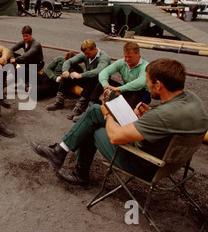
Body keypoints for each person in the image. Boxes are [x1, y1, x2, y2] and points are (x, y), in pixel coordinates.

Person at [30, 58, 208, 186]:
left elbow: (115, 137)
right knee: (93, 111)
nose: (147, 87)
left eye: (148, 84)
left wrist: (108, 114)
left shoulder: (162, 115)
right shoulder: (192, 100)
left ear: (159, 85)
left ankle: (79, 172)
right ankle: (59, 151)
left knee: (92, 126)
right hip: (172, 162)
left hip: (145, 163)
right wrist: (150, 112)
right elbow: (166, 121)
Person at [46, 39, 111, 122]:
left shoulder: (103, 58)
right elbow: (69, 61)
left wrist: (80, 75)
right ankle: (59, 102)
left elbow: (98, 71)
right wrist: (65, 71)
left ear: (94, 49)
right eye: (85, 54)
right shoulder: (86, 54)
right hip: (89, 78)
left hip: (99, 82)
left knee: (95, 79)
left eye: (88, 53)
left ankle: (84, 110)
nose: (86, 56)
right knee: (70, 73)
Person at [92, 42, 150, 109]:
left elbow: (140, 83)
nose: (127, 59)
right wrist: (106, 85)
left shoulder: (145, 66)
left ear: (138, 54)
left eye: (130, 57)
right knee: (101, 83)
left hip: (142, 93)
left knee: (134, 96)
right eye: (126, 56)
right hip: (126, 90)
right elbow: (104, 72)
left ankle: (126, 115)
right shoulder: (122, 62)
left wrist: (118, 89)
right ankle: (94, 107)